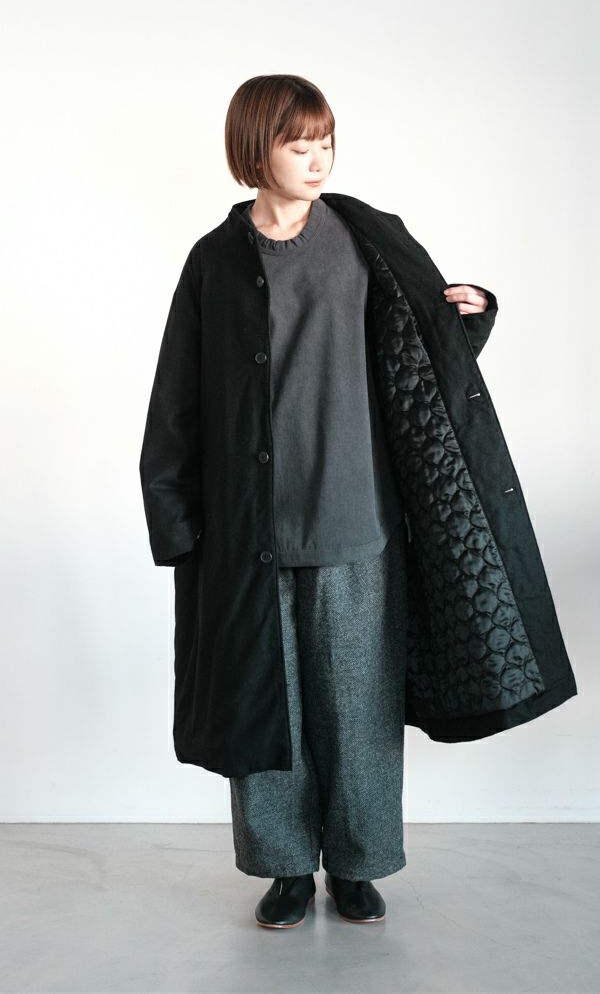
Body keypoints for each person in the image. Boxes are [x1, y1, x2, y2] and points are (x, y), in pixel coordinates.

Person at [141, 73, 491, 929]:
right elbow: (175, 395)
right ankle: (285, 867)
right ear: (254, 150)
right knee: (269, 709)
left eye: (326, 141)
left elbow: (422, 351)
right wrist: (176, 520)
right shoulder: (214, 261)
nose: (318, 158)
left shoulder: (367, 238)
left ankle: (360, 865)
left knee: (358, 707)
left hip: (356, 519)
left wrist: (474, 315)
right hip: (247, 531)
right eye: (299, 144)